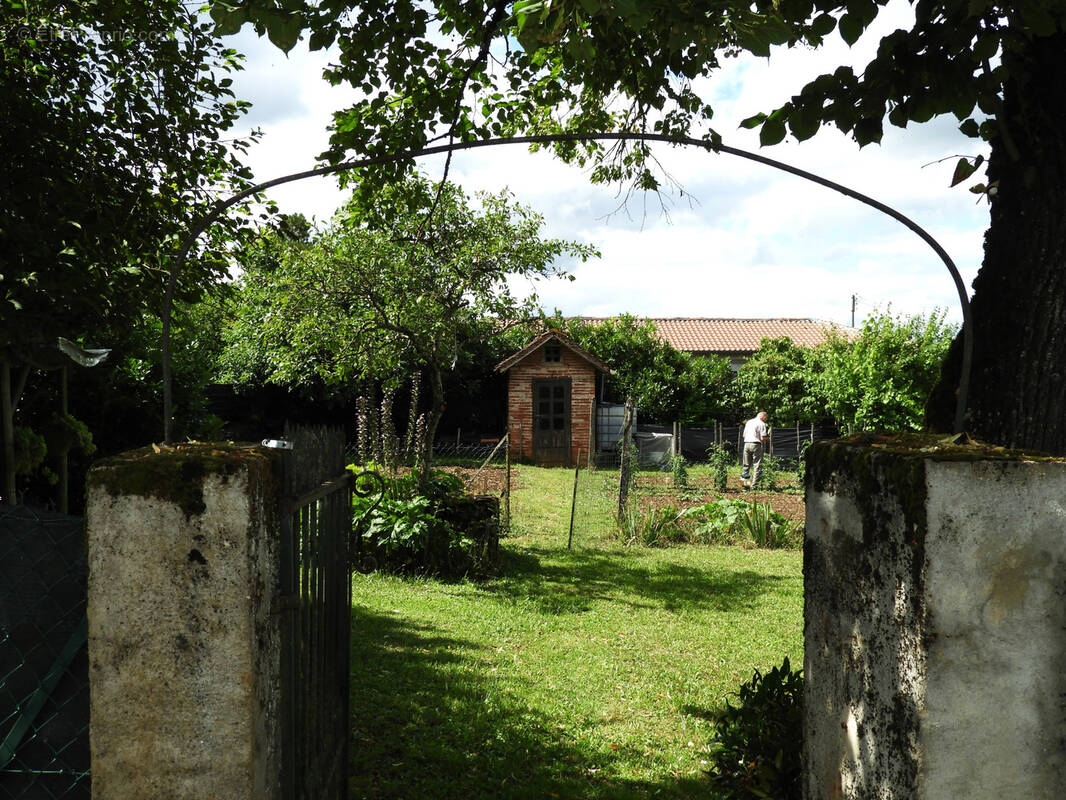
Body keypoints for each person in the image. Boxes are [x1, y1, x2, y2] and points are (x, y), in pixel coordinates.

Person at [741, 410, 769, 489]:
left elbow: (744, 435)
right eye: (765, 418)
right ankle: (754, 486)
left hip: (746, 444)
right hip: (755, 444)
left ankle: (745, 486)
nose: (766, 419)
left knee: (746, 465)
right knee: (757, 465)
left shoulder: (749, 422)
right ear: (763, 416)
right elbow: (762, 438)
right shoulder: (762, 424)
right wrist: (769, 439)